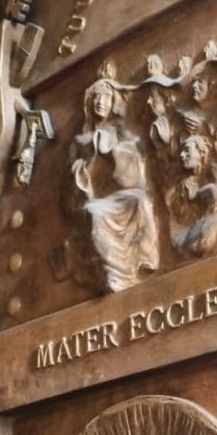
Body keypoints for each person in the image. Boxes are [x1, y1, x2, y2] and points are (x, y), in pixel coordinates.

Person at [67, 76, 159, 292]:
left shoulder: (120, 132)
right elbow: (70, 178)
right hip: (94, 197)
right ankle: (114, 273)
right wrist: (84, 167)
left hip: (119, 194)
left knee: (141, 201)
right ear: (89, 103)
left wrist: (115, 151)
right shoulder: (80, 140)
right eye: (96, 97)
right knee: (94, 212)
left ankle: (143, 258)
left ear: (112, 102)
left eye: (106, 97)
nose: (100, 102)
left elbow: (135, 166)